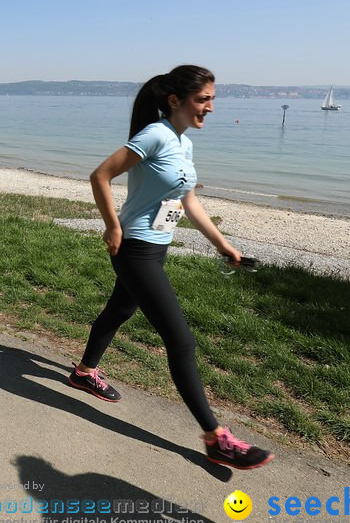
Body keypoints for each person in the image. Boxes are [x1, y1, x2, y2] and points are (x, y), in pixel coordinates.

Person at [71, 65, 273, 471]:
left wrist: (224, 246)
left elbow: (188, 202)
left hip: (157, 247)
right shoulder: (156, 134)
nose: (210, 107)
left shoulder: (183, 143)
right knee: (180, 341)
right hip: (135, 249)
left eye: (212, 99)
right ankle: (216, 439)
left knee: (120, 310)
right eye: (203, 99)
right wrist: (112, 226)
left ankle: (83, 372)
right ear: (175, 101)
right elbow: (101, 175)